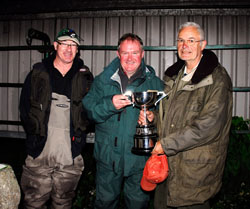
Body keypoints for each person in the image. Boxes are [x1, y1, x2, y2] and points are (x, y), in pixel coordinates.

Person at [138, 22, 233, 209]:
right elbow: (171, 116)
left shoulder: (217, 79)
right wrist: (154, 118)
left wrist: (165, 144)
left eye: (191, 40)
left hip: (194, 175)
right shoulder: (173, 76)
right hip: (166, 169)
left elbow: (208, 127)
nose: (184, 46)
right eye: (181, 40)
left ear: (202, 44)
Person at [82, 33, 164, 209]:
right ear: (118, 54)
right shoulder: (103, 81)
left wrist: (153, 118)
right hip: (108, 159)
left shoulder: (154, 83)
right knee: (104, 204)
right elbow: (88, 111)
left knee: (137, 204)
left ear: (142, 54)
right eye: (125, 53)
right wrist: (109, 104)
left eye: (134, 53)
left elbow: (167, 117)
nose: (130, 58)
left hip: (139, 160)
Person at [19, 28, 93, 209]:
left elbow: (92, 110)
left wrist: (79, 140)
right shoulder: (38, 73)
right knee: (34, 202)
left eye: (73, 45)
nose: (69, 49)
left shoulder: (86, 77)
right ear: (55, 46)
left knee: (63, 202)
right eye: (64, 44)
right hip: (40, 151)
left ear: (78, 49)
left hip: (70, 153)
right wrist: (34, 136)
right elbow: (24, 108)